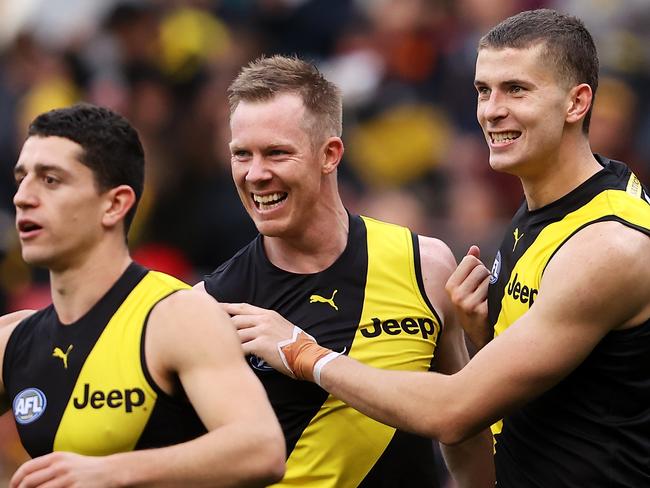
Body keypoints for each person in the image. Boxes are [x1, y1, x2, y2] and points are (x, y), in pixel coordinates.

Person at [238, 10, 650, 488]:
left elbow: (454, 412)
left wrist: (307, 355)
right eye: (483, 90)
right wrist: (484, 334)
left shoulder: (609, 244)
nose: (491, 110)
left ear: (576, 102)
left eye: (516, 89)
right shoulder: (548, 203)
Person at [195, 55, 494, 487]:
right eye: (242, 154)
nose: (255, 174)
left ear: (330, 154)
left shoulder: (424, 265)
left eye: (276, 153)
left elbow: (463, 427)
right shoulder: (208, 307)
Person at [0, 104, 285, 487]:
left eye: (51, 180)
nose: (23, 197)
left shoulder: (177, 316)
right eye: (22, 178)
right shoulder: (12, 339)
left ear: (115, 204)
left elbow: (261, 448)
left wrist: (108, 471)